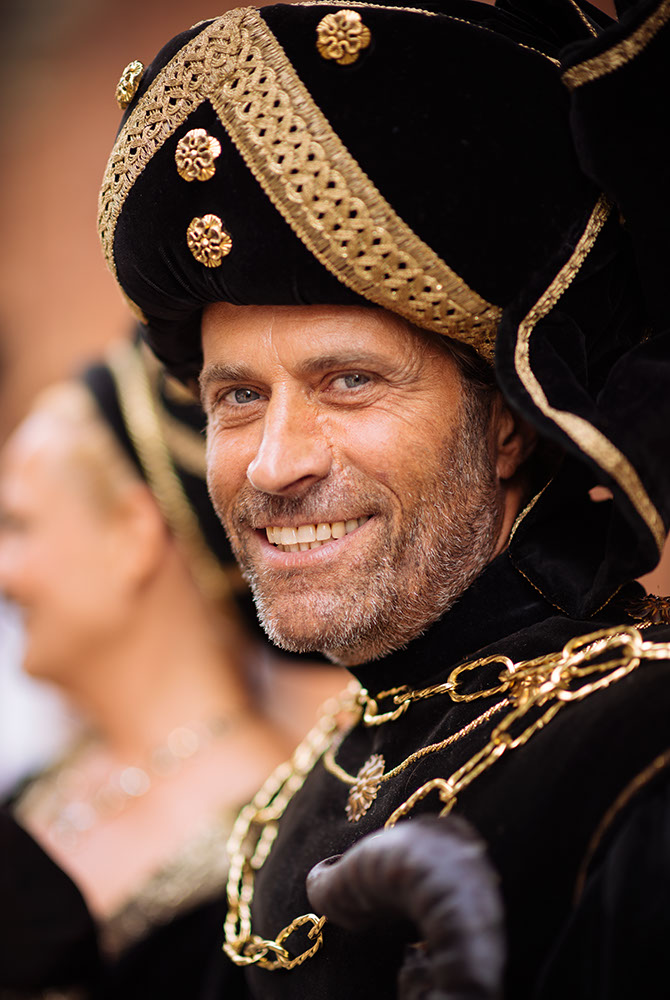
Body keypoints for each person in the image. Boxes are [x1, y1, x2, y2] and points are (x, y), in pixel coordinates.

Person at [96, 0, 670, 996]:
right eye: (238, 396)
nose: (274, 463)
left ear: (510, 424)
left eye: (348, 381)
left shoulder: (643, 752)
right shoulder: (291, 801)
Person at [0, 338, 346, 998]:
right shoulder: (44, 782)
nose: (2, 570)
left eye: (19, 524)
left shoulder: (271, 862)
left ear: (132, 535)